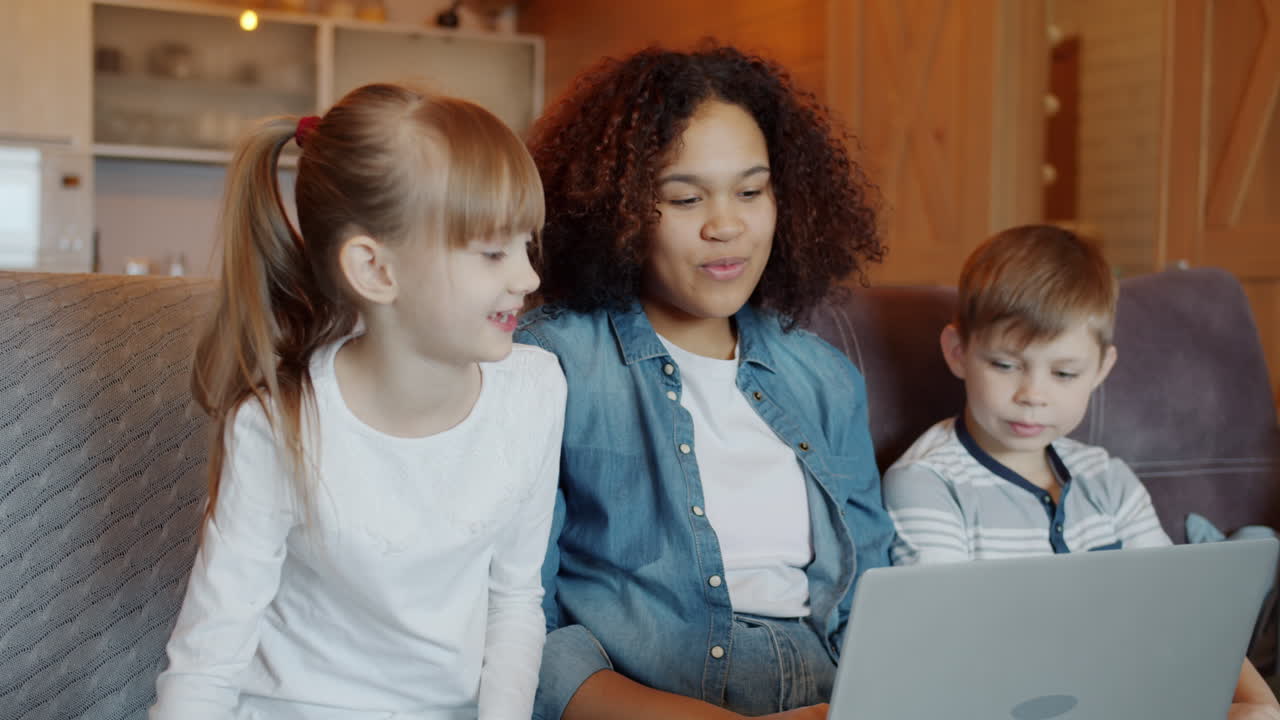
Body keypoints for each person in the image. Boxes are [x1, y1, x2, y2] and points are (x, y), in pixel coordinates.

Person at [149, 83, 566, 720]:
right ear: (374, 270)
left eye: (525, 246)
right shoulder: (279, 422)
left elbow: (515, 600)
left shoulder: (536, 390)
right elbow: (207, 664)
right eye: (492, 252)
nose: (528, 277)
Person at [514, 45, 894, 720]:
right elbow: (521, 625)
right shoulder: (554, 364)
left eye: (751, 191)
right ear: (618, 209)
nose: (728, 226)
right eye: (685, 198)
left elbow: (876, 600)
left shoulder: (826, 379)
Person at [882, 224, 1280, 719]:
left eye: (1064, 373)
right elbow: (947, 651)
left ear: (1101, 369)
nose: (1033, 394)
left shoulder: (1107, 479)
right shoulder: (927, 483)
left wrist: (1257, 701)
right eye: (1005, 365)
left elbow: (1177, 611)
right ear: (958, 351)